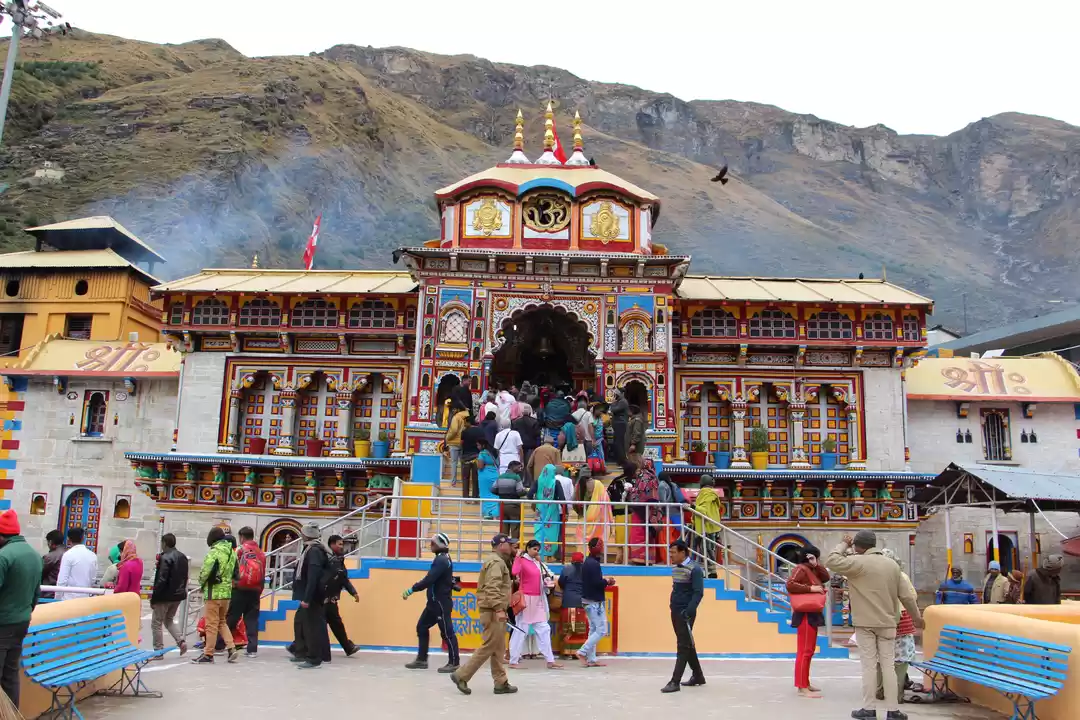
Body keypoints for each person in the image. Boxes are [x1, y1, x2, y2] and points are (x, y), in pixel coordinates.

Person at [826, 530, 922, 720]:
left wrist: (843, 544)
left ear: (858, 546)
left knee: (869, 666)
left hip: (865, 624)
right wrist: (917, 619)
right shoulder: (892, 566)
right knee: (889, 666)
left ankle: (869, 709)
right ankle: (893, 710)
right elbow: (907, 597)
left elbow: (831, 560)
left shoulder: (857, 563)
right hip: (888, 623)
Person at [451, 534, 516, 696]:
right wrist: (499, 609)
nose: (513, 546)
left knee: (498, 648)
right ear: (501, 545)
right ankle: (461, 675)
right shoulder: (496, 563)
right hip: (493, 611)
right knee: (489, 646)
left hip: (494, 610)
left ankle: (500, 682)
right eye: (510, 544)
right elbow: (492, 588)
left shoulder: (499, 561)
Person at [0, 510, 41, 710]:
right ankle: (12, 714)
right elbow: (36, 594)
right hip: (22, 622)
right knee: (10, 675)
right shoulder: (33, 554)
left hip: (3, 624)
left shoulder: (3, 556)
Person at [404, 532, 459, 672]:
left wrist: (412, 589)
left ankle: (454, 662)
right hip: (433, 603)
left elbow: (430, 579)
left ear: (439, 545)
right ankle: (422, 660)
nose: (431, 545)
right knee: (422, 627)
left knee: (447, 632)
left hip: (440, 602)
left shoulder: (441, 560)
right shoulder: (443, 558)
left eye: (433, 543)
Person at [509, 540, 561, 669]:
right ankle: (513, 660)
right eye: (534, 549)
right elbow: (514, 572)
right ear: (528, 548)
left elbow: (543, 577)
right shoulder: (522, 560)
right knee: (521, 630)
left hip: (538, 599)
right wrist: (517, 557)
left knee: (544, 629)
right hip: (526, 600)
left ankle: (550, 660)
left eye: (538, 550)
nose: (536, 552)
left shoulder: (537, 562)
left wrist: (546, 583)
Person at [876, 549, 917, 706]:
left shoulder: (875, 577)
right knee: (900, 661)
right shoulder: (901, 576)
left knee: (881, 658)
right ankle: (897, 694)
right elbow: (911, 597)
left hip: (880, 620)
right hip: (901, 621)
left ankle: (880, 691)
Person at [787, 545, 829, 698]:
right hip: (805, 613)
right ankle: (802, 686)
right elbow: (790, 584)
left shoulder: (813, 570)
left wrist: (816, 564)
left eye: (816, 557)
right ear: (805, 556)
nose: (814, 560)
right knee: (804, 651)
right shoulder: (801, 568)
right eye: (811, 557)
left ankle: (805, 682)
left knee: (809, 651)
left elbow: (826, 577)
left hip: (812, 613)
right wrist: (811, 589)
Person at [663, 539, 704, 693]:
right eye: (670, 552)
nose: (670, 556)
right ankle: (698, 676)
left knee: (682, 645)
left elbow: (698, 593)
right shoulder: (675, 568)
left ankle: (675, 681)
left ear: (683, 552)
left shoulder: (695, 569)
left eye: (673, 552)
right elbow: (676, 589)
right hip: (675, 610)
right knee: (686, 643)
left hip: (686, 613)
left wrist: (689, 611)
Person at [287, 522, 331, 668]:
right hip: (310, 594)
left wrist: (307, 598)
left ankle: (314, 658)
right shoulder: (311, 549)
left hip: (313, 596)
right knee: (302, 623)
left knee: (312, 627)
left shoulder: (314, 551)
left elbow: (313, 576)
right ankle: (302, 652)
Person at [193, 527, 240, 664]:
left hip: (213, 592)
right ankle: (231, 648)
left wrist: (201, 582)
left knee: (211, 624)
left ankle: (208, 654)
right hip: (226, 593)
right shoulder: (232, 553)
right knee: (222, 622)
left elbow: (205, 571)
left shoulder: (214, 552)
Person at [228, 526, 266, 658]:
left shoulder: (239, 550)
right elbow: (263, 573)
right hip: (255, 589)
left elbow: (231, 567)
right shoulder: (260, 552)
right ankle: (252, 649)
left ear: (242, 537)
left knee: (232, 617)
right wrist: (259, 589)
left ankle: (222, 644)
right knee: (252, 620)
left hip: (239, 588)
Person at [576, 537, 615, 667]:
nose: (602, 547)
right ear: (594, 548)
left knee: (593, 629)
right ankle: (582, 652)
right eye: (600, 545)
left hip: (590, 600)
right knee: (601, 630)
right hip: (593, 602)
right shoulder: (593, 564)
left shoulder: (590, 562)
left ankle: (592, 658)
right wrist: (607, 581)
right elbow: (596, 583)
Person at [150, 533, 189, 656]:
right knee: (169, 620)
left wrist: (154, 598)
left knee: (156, 623)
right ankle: (180, 641)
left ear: (164, 543)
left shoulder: (165, 557)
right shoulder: (182, 557)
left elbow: (162, 579)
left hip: (164, 596)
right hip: (178, 595)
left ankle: (158, 650)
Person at [323, 534, 359, 657]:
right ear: (332, 545)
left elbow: (343, 578)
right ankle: (296, 646)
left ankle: (348, 647)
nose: (341, 546)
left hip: (331, 598)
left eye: (342, 544)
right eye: (339, 544)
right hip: (323, 598)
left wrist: (353, 592)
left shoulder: (339, 559)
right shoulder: (325, 558)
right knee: (314, 624)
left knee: (336, 624)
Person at [628, 459, 662, 565]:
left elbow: (639, 494)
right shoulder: (655, 477)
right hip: (652, 511)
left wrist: (630, 491)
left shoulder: (643, 477)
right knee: (648, 534)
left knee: (638, 532)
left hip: (641, 511)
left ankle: (638, 558)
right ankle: (648, 558)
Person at [530, 464, 565, 560]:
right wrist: (564, 512)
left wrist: (537, 500)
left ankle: (537, 553)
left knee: (539, 530)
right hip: (552, 511)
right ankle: (549, 555)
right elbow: (562, 499)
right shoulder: (556, 483)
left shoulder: (538, 481)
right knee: (551, 532)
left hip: (540, 510)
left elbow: (529, 495)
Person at [577, 466, 613, 556]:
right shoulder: (598, 484)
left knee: (583, 539)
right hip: (598, 518)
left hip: (584, 516)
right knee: (598, 537)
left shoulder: (579, 485)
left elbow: (574, 501)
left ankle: (583, 555)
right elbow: (605, 499)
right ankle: (597, 554)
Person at [692, 475, 723, 578]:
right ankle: (710, 571)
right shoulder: (712, 494)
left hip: (706, 526)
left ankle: (711, 572)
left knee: (706, 549)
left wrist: (693, 507)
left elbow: (704, 511)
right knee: (708, 549)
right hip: (713, 526)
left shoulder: (705, 493)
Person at [557, 552, 587, 659]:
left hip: (568, 601)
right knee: (579, 629)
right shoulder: (586, 570)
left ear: (572, 560)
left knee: (566, 627)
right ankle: (577, 652)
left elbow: (561, 582)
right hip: (581, 603)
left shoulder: (566, 569)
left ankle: (566, 652)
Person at [56, 526, 98, 601]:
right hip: (85, 597)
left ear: (68, 539)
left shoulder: (68, 555)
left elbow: (62, 580)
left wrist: (57, 598)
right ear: (83, 538)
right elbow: (93, 579)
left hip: (69, 598)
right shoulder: (92, 555)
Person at [493, 461, 526, 538]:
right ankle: (514, 546)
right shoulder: (516, 477)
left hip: (502, 505)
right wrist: (526, 492)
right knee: (515, 527)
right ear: (513, 467)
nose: (520, 469)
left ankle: (504, 545)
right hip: (513, 505)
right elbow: (520, 491)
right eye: (519, 467)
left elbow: (493, 489)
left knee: (504, 527)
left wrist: (501, 493)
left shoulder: (500, 477)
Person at [511, 404, 541, 486]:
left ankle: (520, 482)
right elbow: (537, 434)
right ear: (530, 412)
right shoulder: (534, 422)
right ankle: (529, 482)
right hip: (531, 446)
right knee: (529, 464)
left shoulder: (516, 422)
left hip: (519, 446)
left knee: (519, 464)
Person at [444, 403, 470, 487]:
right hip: (463, 442)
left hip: (454, 442)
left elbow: (454, 430)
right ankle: (464, 481)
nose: (453, 410)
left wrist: (448, 437)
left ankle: (453, 481)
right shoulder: (466, 417)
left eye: (454, 409)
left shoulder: (456, 417)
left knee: (454, 462)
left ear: (458, 409)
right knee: (463, 463)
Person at [460, 416, 486, 500]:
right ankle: (475, 497)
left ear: (469, 422)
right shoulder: (481, 431)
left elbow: (461, 443)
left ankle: (466, 497)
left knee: (465, 478)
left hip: (466, 456)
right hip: (477, 457)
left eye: (465, 422)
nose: (464, 424)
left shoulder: (464, 432)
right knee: (475, 478)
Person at [477, 439, 500, 520]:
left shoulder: (482, 453)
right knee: (495, 495)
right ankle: (496, 514)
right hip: (495, 474)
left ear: (483, 445)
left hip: (485, 476)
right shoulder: (496, 453)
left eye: (478, 445)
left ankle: (488, 514)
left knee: (485, 494)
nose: (478, 447)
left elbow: (480, 466)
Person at [40, 529, 66, 599]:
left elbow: (39, 572)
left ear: (50, 542)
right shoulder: (68, 553)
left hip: (49, 593)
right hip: (64, 593)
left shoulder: (50, 556)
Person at [608, 390, 629, 466]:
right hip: (618, 424)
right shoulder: (620, 401)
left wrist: (613, 403)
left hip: (621, 424)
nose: (615, 396)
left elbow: (613, 410)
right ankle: (620, 460)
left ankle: (622, 461)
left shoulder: (623, 402)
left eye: (616, 394)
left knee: (619, 443)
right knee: (617, 443)